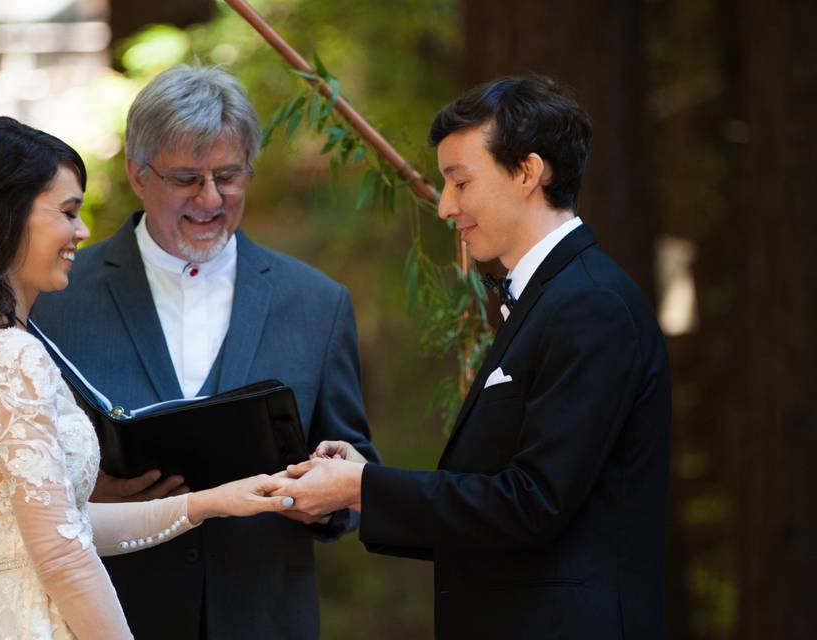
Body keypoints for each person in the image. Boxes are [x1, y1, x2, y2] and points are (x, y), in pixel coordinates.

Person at [0, 115, 298, 640]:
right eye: (68, 212)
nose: (82, 232)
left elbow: (59, 528)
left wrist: (212, 501)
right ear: (6, 218)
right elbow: (62, 556)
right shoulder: (11, 357)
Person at [278, 75, 671, 640]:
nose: (444, 207)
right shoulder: (554, 298)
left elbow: (533, 503)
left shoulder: (591, 305)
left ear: (529, 173)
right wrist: (363, 482)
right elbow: (495, 493)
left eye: (460, 182)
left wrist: (359, 487)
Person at [31, 65, 379, 639]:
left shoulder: (318, 303)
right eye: (188, 178)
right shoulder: (55, 299)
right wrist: (87, 489)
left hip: (264, 617)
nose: (211, 198)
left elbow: (355, 466)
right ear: (138, 175)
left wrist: (329, 498)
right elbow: (8, 471)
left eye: (228, 175)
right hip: (111, 616)